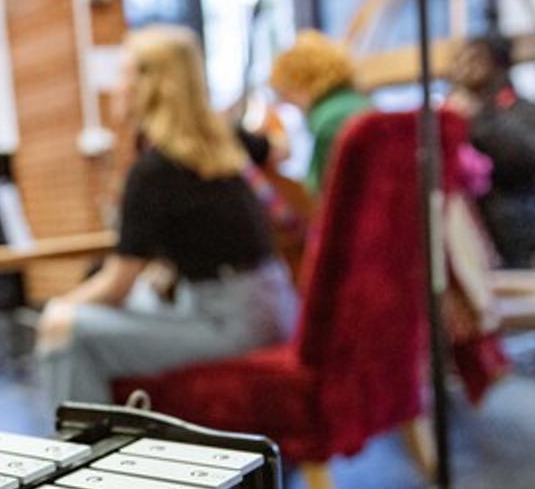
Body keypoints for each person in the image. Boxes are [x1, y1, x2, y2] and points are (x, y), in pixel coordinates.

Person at [36, 25, 297, 406]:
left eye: (125, 74)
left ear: (152, 85)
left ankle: (89, 455)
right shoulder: (226, 137)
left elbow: (116, 284)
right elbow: (278, 150)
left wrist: (58, 307)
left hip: (228, 321)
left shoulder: (153, 172)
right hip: (276, 302)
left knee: (67, 328)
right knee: (143, 297)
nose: (117, 87)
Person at [449, 34, 535, 267]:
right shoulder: (467, 110)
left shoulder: (524, 113)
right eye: (460, 60)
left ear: (496, 64)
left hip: (522, 232)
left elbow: (528, 157)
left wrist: (477, 120)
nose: (463, 67)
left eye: (474, 59)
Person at [270, 30, 372, 196]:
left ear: (300, 81)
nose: (287, 101)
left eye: (285, 93)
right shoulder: (360, 103)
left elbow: (320, 196)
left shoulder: (328, 121)